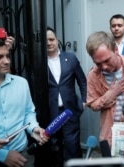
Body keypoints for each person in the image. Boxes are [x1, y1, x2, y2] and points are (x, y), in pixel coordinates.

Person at [0, 37, 48, 166]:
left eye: (7, 56)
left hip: (22, 155)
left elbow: (28, 112)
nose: (6, 61)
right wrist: (1, 156)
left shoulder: (21, 83)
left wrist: (33, 128)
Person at [46, 27, 87, 166]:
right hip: (50, 111)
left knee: (72, 145)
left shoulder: (70, 58)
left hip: (69, 110)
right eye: (45, 40)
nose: (49, 43)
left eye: (51, 39)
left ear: (57, 40)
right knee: (54, 146)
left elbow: (82, 81)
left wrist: (84, 100)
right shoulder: (38, 62)